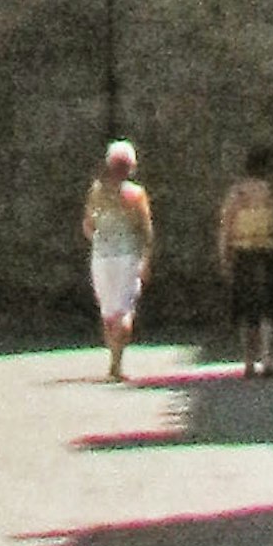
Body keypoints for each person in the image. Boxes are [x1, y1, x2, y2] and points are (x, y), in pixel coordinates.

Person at [81, 142, 155, 381]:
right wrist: (146, 259)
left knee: (108, 309)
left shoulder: (97, 191)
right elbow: (146, 231)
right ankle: (117, 361)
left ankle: (112, 358)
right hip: (127, 255)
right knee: (125, 308)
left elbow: (88, 225)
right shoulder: (135, 194)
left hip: (102, 256)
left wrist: (99, 238)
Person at [214, 151, 273, 377]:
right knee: (267, 308)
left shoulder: (237, 194)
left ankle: (248, 361)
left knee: (246, 309)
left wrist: (223, 256)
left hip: (243, 251)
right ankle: (266, 358)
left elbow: (226, 226)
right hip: (269, 249)